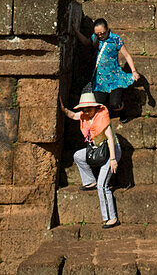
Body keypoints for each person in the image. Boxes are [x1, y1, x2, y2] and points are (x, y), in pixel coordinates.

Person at [60, 91, 121, 227]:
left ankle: (111, 217)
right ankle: (89, 181)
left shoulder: (102, 118)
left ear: (95, 107)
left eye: (89, 109)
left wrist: (113, 159)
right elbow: (73, 115)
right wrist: (63, 109)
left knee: (102, 185)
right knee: (78, 156)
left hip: (111, 150)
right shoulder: (85, 117)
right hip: (97, 148)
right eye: (84, 109)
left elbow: (110, 139)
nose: (86, 112)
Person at [75, 17, 141, 115]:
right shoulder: (95, 38)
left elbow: (126, 55)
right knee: (97, 105)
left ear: (107, 29)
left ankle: (122, 111)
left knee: (115, 104)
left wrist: (134, 71)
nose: (100, 35)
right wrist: (76, 31)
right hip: (99, 80)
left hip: (115, 77)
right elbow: (86, 42)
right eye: (98, 34)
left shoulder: (115, 39)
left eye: (103, 33)